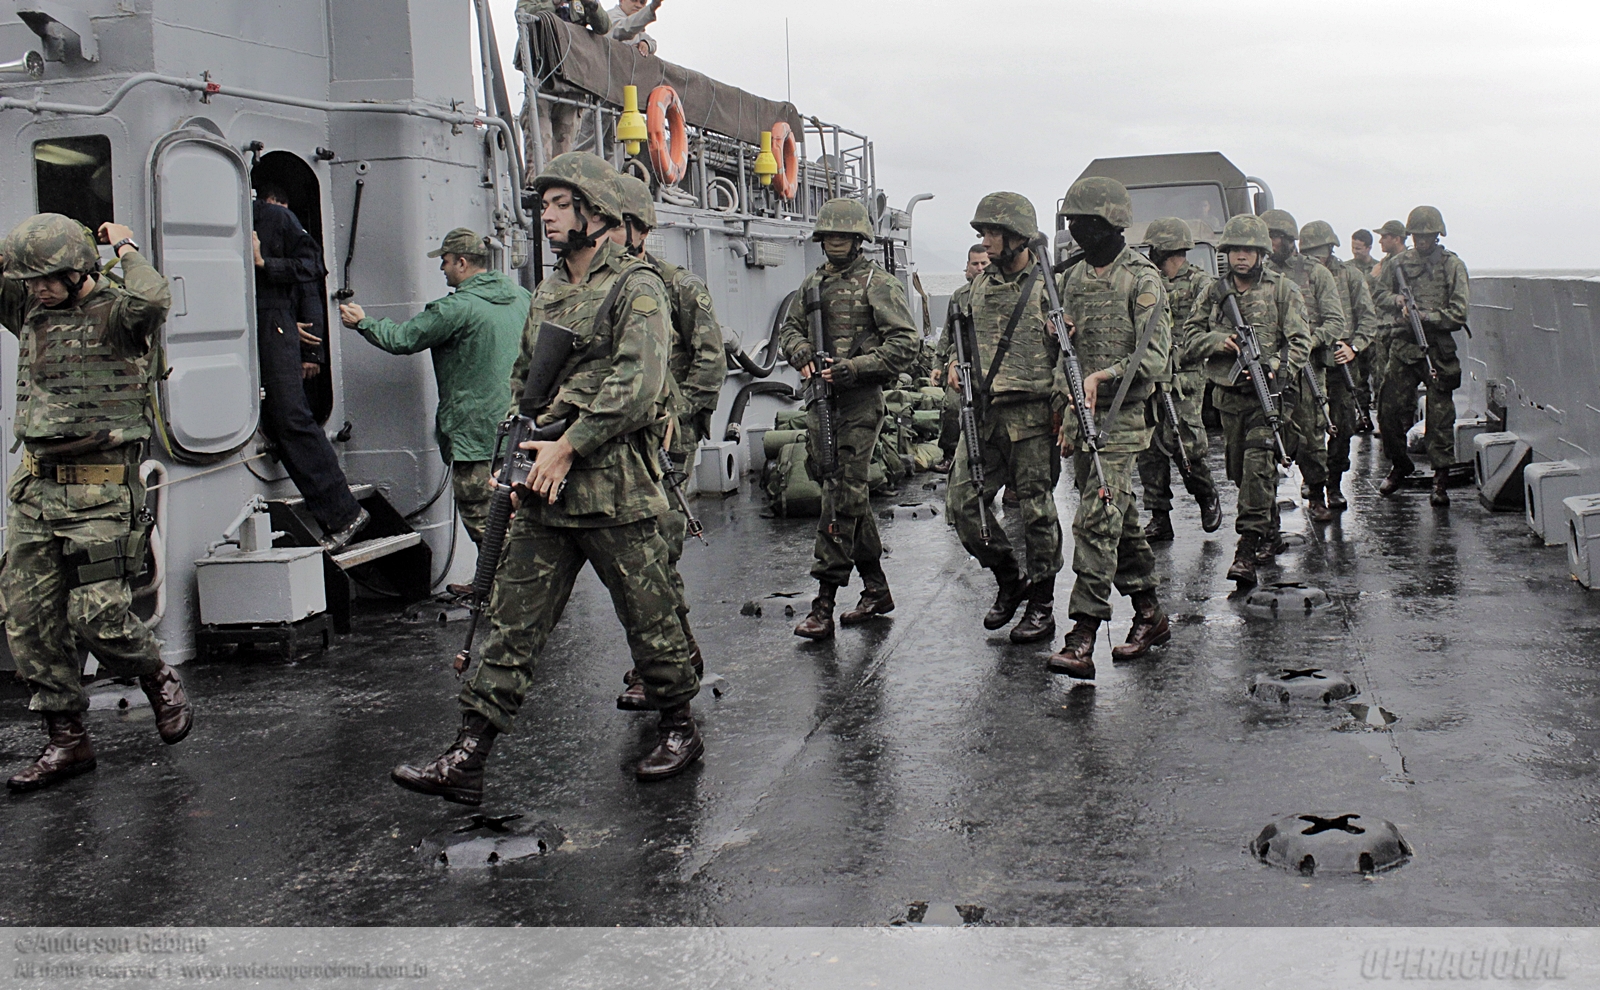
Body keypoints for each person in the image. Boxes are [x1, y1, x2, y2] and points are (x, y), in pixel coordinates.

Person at [390, 152, 702, 801]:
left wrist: (571, 444)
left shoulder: (637, 287)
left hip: (615, 490)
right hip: (544, 488)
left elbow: (640, 386)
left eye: (562, 205)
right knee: (513, 618)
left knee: (650, 616)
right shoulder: (550, 291)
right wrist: (517, 446)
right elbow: (523, 376)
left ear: (596, 212)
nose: (549, 218)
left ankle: (678, 724)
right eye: (547, 206)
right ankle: (469, 753)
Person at [0, 214, 193, 792]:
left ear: (78, 269)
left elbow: (154, 297)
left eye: (48, 277)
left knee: (97, 616)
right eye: (30, 279)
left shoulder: (120, 314)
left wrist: (125, 246)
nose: (37, 289)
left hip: (101, 492)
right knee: (29, 622)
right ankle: (67, 741)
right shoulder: (29, 308)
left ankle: (157, 676)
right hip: (36, 490)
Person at [1046, 178, 1172, 679]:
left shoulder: (1142, 279)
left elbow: (1154, 358)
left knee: (1096, 520)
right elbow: (1066, 353)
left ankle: (1082, 634)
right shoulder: (1072, 278)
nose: (1078, 229)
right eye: (1072, 221)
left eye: (1087, 222)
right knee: (1119, 519)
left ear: (1112, 224)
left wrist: (1104, 376)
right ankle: (1149, 613)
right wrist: (1064, 397)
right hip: (1082, 416)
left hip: (1122, 418)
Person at [779, 199, 919, 641]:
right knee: (843, 490)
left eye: (843, 236)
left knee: (839, 496)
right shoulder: (812, 284)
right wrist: (801, 351)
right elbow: (789, 329)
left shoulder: (879, 284)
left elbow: (905, 344)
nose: (835, 243)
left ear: (859, 239)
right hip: (821, 400)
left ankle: (824, 601)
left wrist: (855, 368)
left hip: (859, 402)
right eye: (830, 237)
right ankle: (875, 588)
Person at [338, 228, 530, 548]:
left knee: (487, 528)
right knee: (519, 523)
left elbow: (403, 339)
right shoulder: (523, 298)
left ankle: (504, 580)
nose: (442, 267)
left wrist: (362, 322)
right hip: (519, 437)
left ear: (462, 263)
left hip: (476, 440)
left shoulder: (454, 309)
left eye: (445, 260)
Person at [612, 172, 724, 710]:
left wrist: (675, 418)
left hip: (665, 441)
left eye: (614, 224)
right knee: (633, 555)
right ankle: (679, 650)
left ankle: (665, 664)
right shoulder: (597, 291)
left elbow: (710, 361)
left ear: (637, 230)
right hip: (613, 442)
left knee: (656, 551)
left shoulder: (678, 286)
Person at [944, 194, 1064, 646]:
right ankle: (1010, 578)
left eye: (994, 233)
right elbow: (959, 339)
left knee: (1037, 513)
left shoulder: (1051, 288)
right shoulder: (975, 289)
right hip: (985, 413)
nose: (987, 242)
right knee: (962, 504)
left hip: (1033, 414)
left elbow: (1070, 354)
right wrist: (953, 362)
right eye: (983, 233)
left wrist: (1064, 408)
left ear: (1018, 236)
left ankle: (1042, 604)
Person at [1182, 214, 1311, 588]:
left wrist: (1273, 365)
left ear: (1261, 253)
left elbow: (1300, 342)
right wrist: (1219, 342)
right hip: (1229, 396)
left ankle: (1246, 549)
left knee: (1257, 464)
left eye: (1248, 250)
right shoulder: (1214, 293)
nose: (1241, 257)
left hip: (1271, 395)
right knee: (1242, 473)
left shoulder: (1282, 290)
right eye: (1235, 250)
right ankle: (1268, 530)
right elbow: (1189, 339)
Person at [253, 187, 368, 550]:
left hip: (273, 322)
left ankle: (343, 513)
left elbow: (314, 266)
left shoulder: (274, 218)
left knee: (290, 416)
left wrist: (265, 264)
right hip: (252, 323)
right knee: (280, 418)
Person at [1370, 206, 1470, 507]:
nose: (1422, 241)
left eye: (1427, 236)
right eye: (1417, 235)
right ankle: (1400, 464)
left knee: (1440, 418)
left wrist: (1427, 316)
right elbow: (1379, 295)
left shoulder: (1452, 266)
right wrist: (1398, 300)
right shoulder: (1397, 264)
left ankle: (1440, 478)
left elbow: (1459, 312)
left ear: (1437, 235)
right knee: (1387, 411)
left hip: (1437, 349)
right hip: (1404, 348)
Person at [1137, 217, 1221, 542]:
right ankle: (1159, 516)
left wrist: (1179, 352)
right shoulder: (1148, 281)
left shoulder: (1202, 284)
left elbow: (1208, 331)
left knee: (1185, 439)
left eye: (1153, 247)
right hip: (1150, 373)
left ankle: (1206, 495)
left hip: (1184, 375)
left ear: (1166, 248)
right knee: (1149, 447)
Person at [1262, 209, 1346, 526]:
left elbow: (1335, 321)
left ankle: (1316, 495)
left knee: (1311, 436)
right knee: (1267, 433)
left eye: (1273, 237)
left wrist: (1307, 342)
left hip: (1307, 368)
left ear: (1288, 239)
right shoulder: (1260, 275)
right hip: (1271, 369)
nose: (1269, 243)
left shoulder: (1315, 273)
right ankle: (1265, 508)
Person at [1299, 221, 1378, 511]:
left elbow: (1368, 318)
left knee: (1343, 425)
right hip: (1308, 361)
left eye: (1320, 252)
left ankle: (1334, 483)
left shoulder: (1350, 275)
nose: (1316, 258)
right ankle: (1314, 483)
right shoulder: (1295, 278)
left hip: (1341, 362)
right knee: (1309, 426)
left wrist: (1354, 346)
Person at [515, 0, 612, 168]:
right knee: (539, 146)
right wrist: (554, 4)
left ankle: (559, 181)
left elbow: (603, 26)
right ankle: (538, 180)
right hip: (542, 75)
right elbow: (523, 13)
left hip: (572, 78)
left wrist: (591, 5)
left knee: (565, 150)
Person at [931, 244, 990, 473]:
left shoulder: (998, 292)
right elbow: (948, 334)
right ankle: (949, 455)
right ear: (967, 266)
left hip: (990, 364)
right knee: (952, 407)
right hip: (963, 362)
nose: (980, 268)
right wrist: (938, 364)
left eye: (984, 263)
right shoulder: (959, 296)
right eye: (975, 264)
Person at [1345, 228, 1379, 421]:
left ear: (1368, 247)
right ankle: (1363, 414)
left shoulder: (1379, 268)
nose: (1355, 252)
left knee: (1378, 374)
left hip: (1375, 330)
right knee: (1359, 376)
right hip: (1355, 330)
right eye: (1353, 247)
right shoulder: (1347, 269)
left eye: (1359, 248)